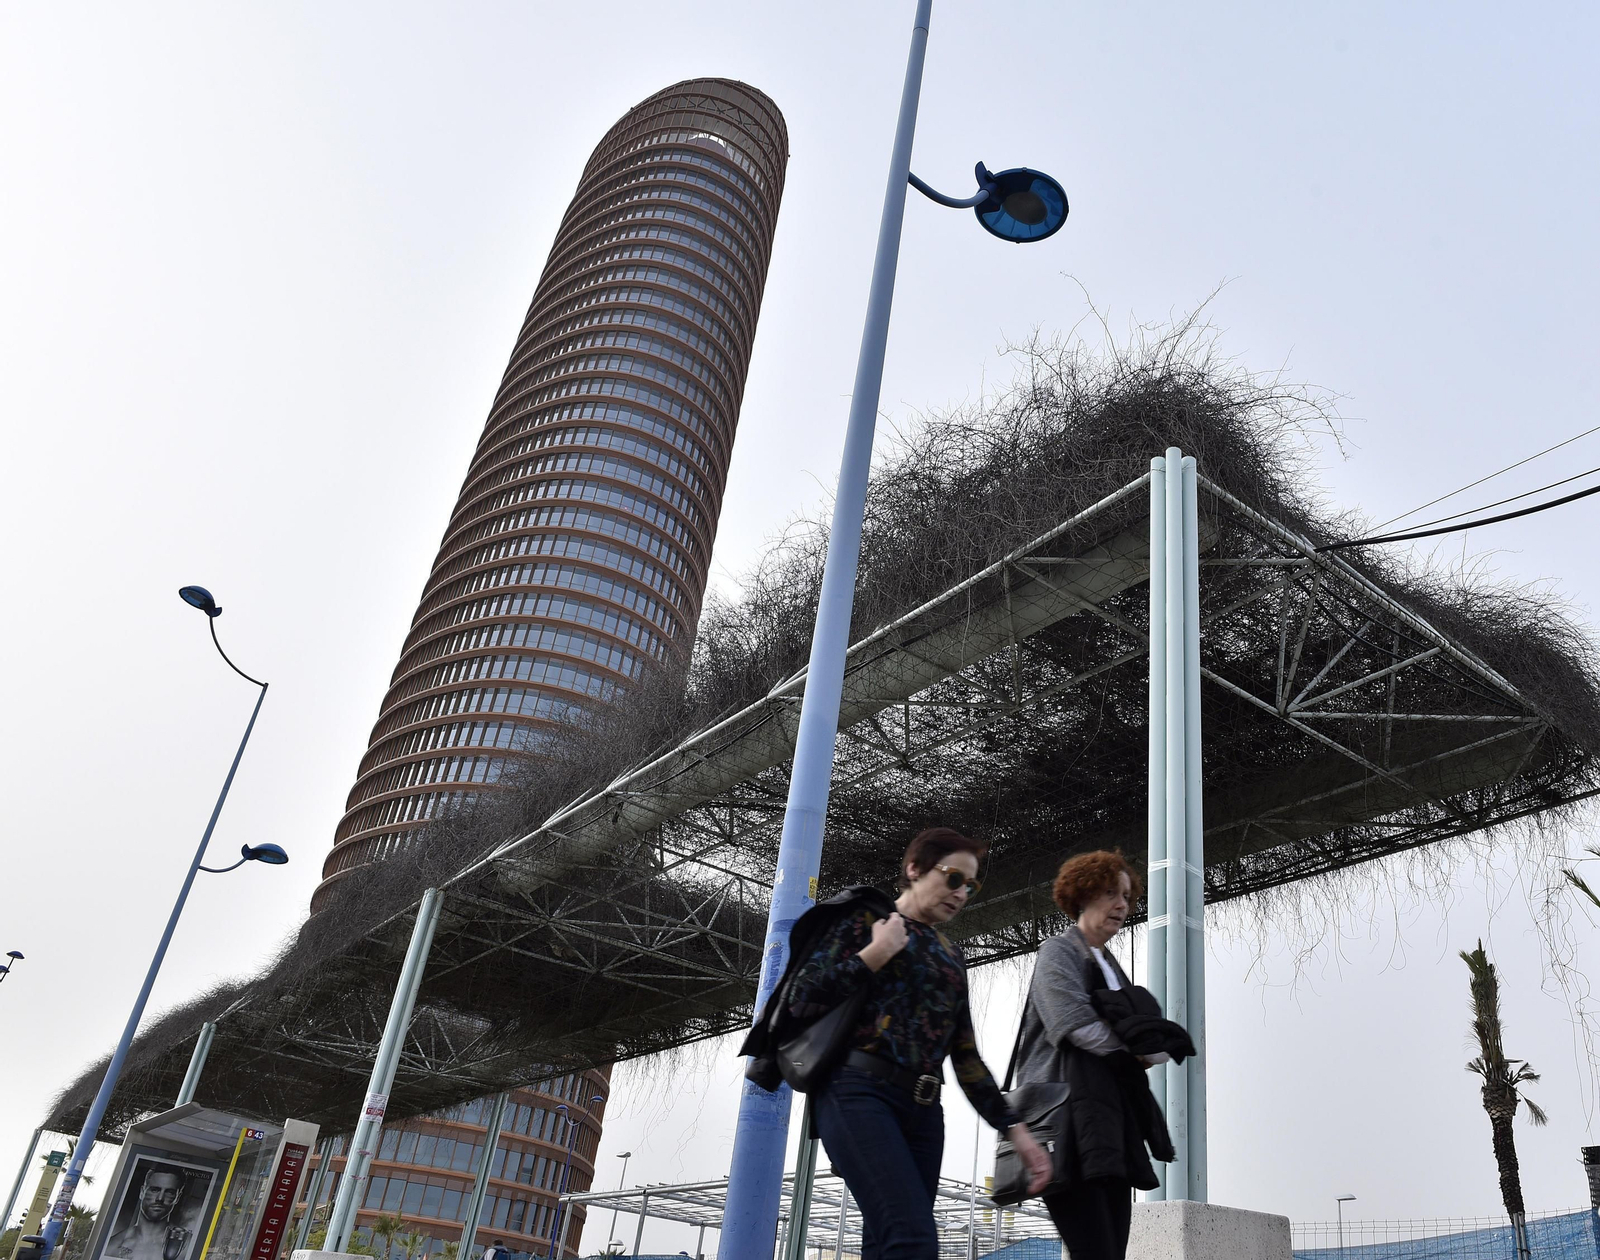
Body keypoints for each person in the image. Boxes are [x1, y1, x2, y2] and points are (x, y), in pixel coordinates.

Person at [787, 827, 1051, 1259]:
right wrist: (874, 954)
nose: (962, 892)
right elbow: (803, 996)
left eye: (971, 884)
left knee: (886, 1244)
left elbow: (965, 1057)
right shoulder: (865, 922)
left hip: (925, 1114)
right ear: (914, 869)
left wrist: (1017, 1131)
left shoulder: (951, 955)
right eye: (953, 878)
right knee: (912, 1242)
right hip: (856, 1094)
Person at [1015, 850, 1178, 1260]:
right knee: (1095, 1252)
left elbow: (1143, 1043)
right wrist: (1133, 1048)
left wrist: (1150, 1044)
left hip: (1109, 1125)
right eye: (1110, 893)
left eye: (1126, 895)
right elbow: (1071, 1023)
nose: (1122, 904)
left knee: (1110, 1253)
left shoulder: (1109, 964)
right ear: (1082, 894)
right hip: (1066, 1124)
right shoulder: (1059, 951)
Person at [104, 1164, 190, 1260]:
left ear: (177, 1197)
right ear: (142, 1192)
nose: (160, 1198)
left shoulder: (186, 1247)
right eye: (154, 1190)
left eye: (169, 1192)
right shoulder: (113, 1246)